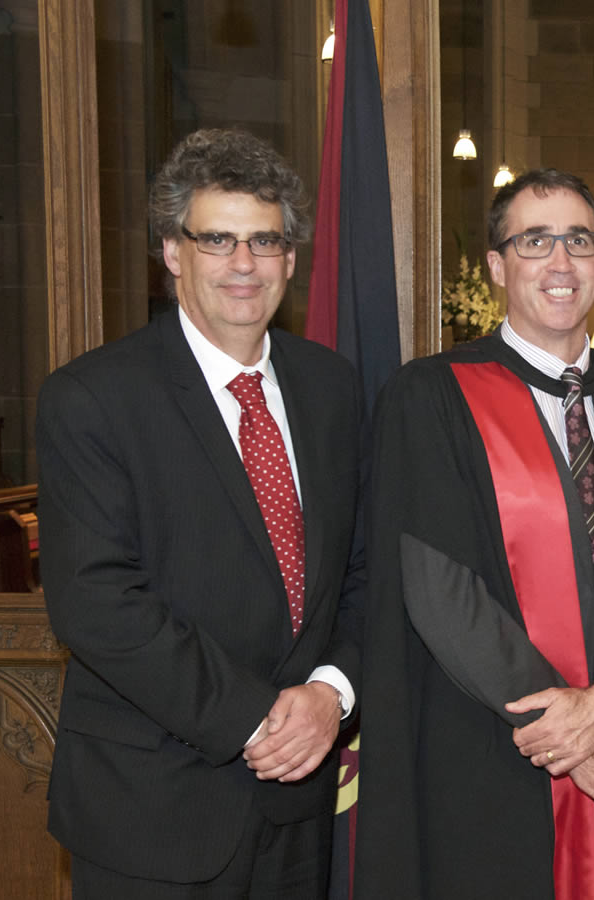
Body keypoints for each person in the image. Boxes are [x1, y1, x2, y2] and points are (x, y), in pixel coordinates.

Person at [355, 168, 594, 900]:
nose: (560, 263)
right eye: (535, 241)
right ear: (496, 266)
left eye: (578, 241)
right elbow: (441, 591)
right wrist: (575, 743)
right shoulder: (433, 397)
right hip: (490, 754)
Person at [37, 128, 364, 897]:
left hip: (299, 807)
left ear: (291, 257)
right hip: (149, 809)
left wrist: (331, 693)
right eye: (217, 239)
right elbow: (96, 603)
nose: (244, 264)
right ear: (173, 253)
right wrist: (259, 720)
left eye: (265, 240)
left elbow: (363, 567)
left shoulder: (333, 389)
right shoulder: (94, 397)